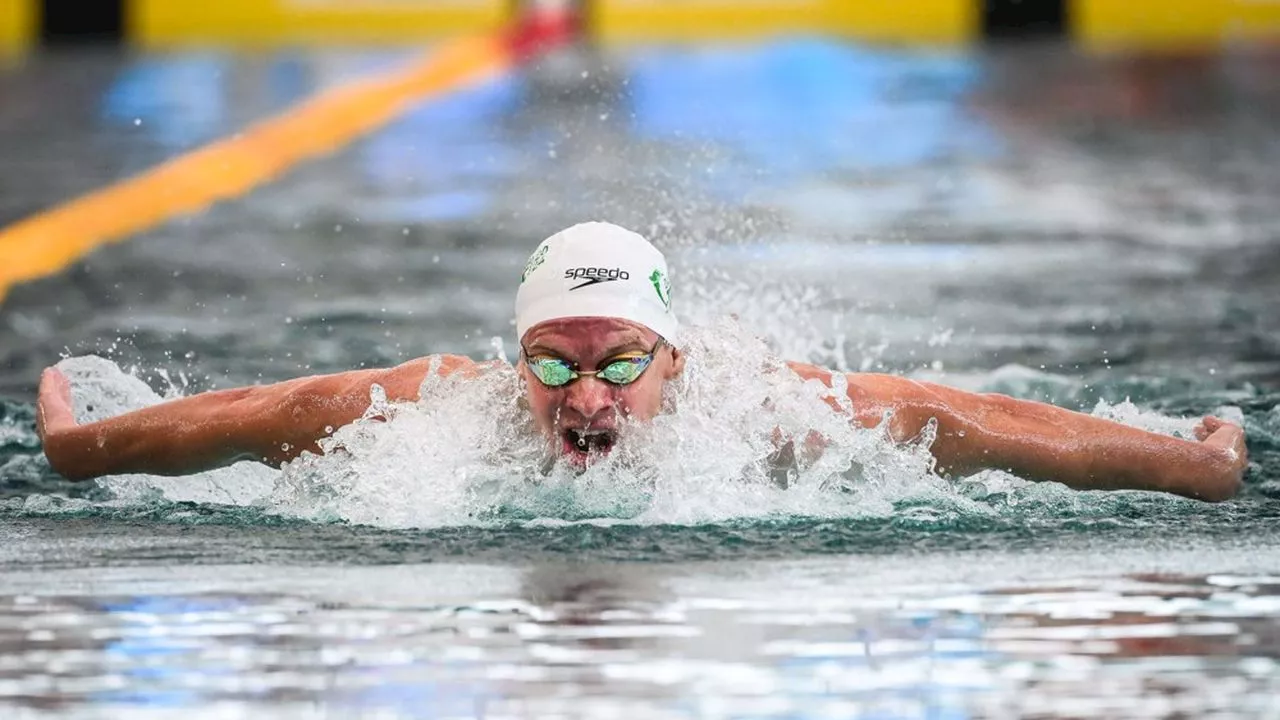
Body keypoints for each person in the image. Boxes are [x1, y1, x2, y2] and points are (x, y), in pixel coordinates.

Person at [35, 222, 1248, 501]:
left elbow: (982, 422)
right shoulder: (435, 416)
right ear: (513, 360)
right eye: (552, 368)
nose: (588, 397)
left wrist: (1191, 469)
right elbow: (264, 409)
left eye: (619, 362)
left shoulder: (782, 415)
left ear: (671, 356)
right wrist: (80, 447)